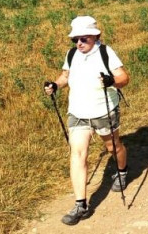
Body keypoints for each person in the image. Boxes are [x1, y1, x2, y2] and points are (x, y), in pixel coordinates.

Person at [43, 16, 130, 225]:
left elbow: (124, 78)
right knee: (78, 153)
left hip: (103, 110)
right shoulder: (72, 54)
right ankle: (80, 204)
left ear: (95, 36)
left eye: (84, 39)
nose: (79, 43)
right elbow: (65, 76)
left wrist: (112, 81)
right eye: (75, 39)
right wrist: (55, 85)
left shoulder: (105, 52)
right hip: (78, 112)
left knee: (113, 147)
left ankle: (122, 170)